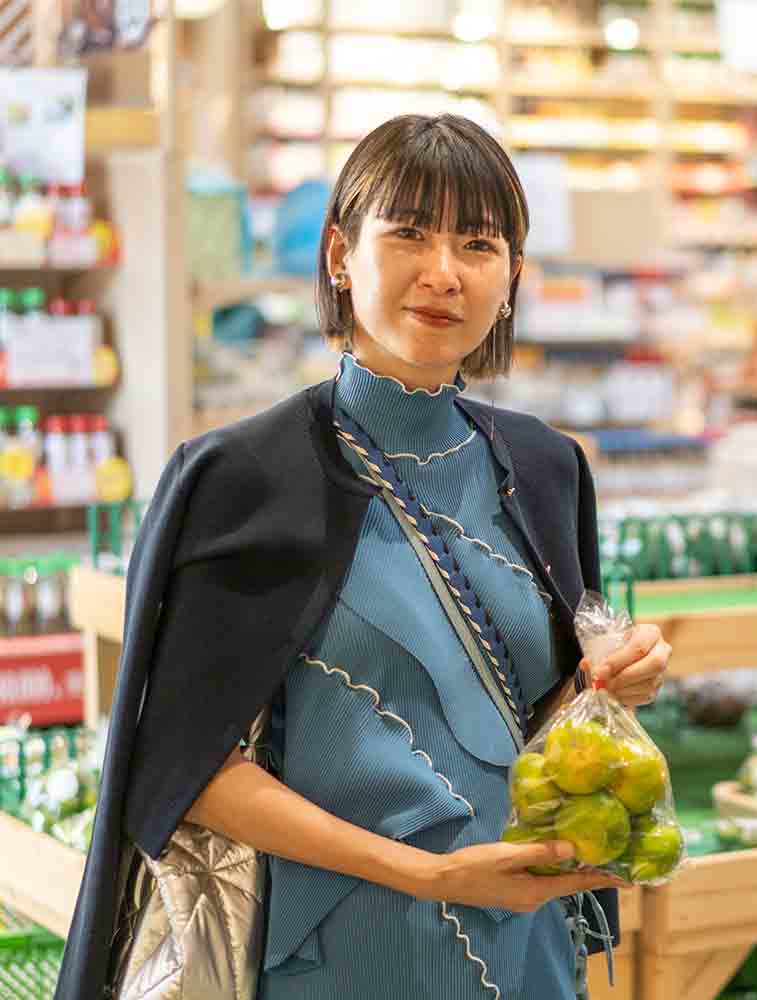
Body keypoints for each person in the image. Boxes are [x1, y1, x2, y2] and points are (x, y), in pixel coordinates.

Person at [56, 113, 673, 1000]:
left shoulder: (547, 468)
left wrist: (615, 680)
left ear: (512, 277)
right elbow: (187, 770)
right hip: (336, 957)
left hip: (531, 951)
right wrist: (426, 874)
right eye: (409, 233)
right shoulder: (237, 479)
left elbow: (546, 728)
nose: (443, 272)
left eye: (478, 242)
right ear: (341, 254)